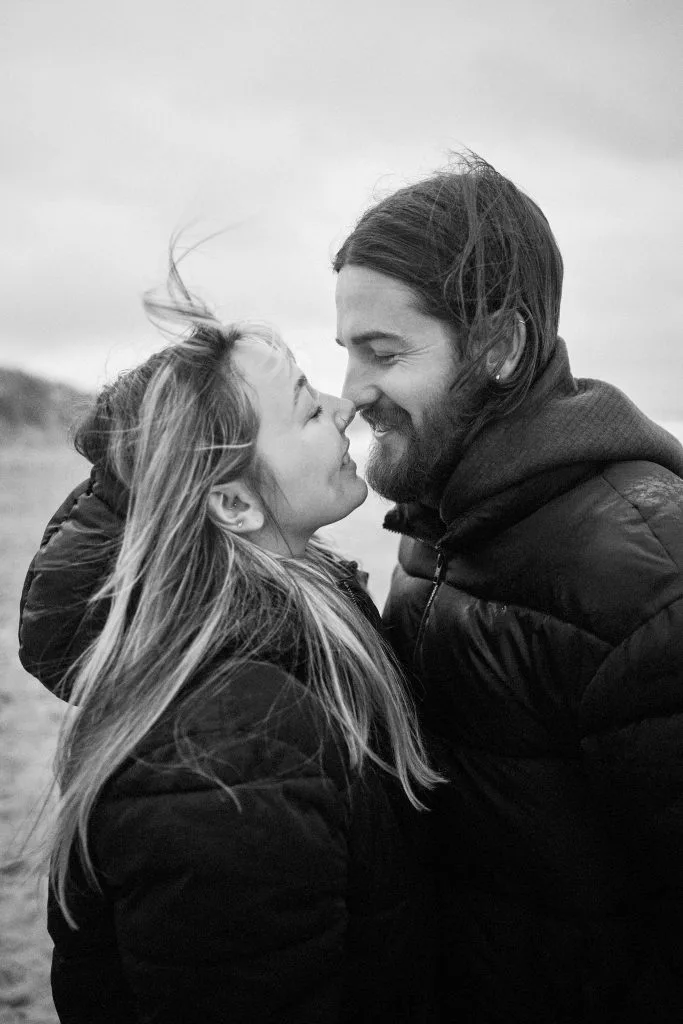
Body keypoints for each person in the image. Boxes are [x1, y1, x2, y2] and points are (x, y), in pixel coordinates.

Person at [18, 261, 442, 1024]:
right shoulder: (228, 746)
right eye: (308, 412)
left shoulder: (304, 616)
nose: (345, 409)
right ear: (235, 504)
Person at [333, 152, 683, 1023]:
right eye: (347, 352)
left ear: (499, 346)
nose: (349, 394)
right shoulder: (440, 521)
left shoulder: (647, 575)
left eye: (382, 353)